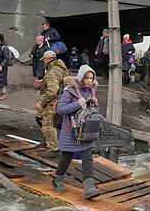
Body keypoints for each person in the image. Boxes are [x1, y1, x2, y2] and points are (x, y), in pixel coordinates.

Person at [54, 64, 101, 199]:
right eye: (86, 78)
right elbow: (61, 110)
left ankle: (89, 188)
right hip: (70, 131)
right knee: (66, 157)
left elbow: (93, 113)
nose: (89, 81)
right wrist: (78, 104)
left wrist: (95, 105)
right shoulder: (70, 91)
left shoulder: (91, 91)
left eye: (91, 78)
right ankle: (57, 179)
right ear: (81, 77)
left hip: (85, 132)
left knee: (87, 157)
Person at [34, 50, 68, 155]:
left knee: (48, 125)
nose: (43, 61)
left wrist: (41, 101)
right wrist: (43, 82)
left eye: (44, 59)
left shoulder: (52, 71)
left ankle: (53, 148)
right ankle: (47, 140)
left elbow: (52, 90)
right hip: (59, 99)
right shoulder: (59, 68)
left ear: (48, 59)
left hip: (52, 102)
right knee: (38, 117)